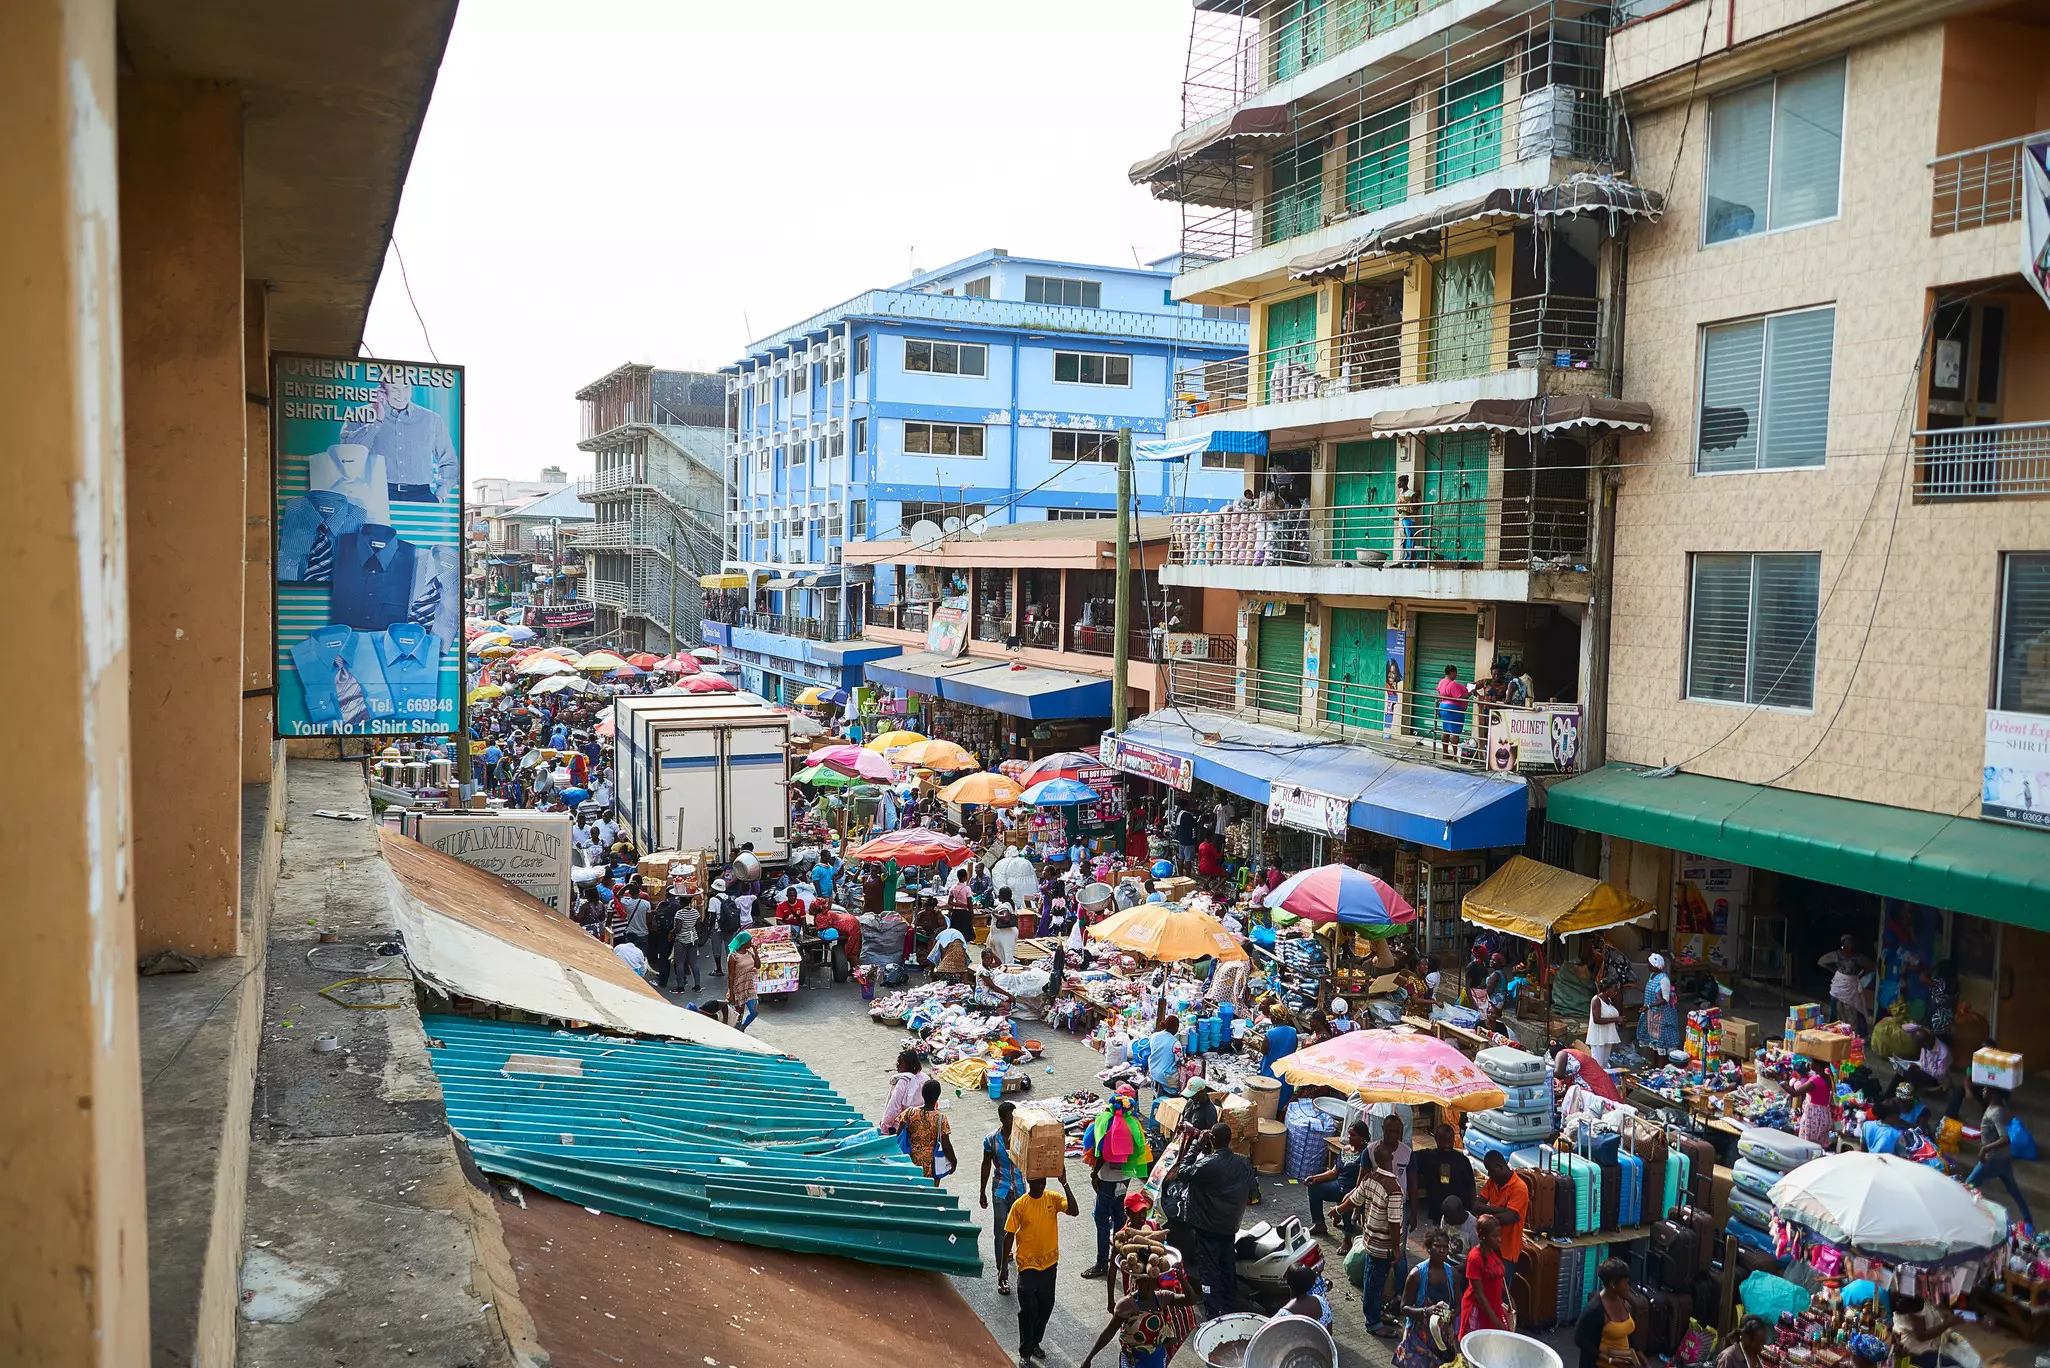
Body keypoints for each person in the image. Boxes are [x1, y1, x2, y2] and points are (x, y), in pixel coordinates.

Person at [1167, 1121, 1257, 1319]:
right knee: (1227, 1266)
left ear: (1213, 1140)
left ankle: (1212, 1311)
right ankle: (1229, 1305)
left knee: (1209, 1270)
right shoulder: (1243, 1161)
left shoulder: (1208, 1164)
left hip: (1208, 1227)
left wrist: (1197, 1145)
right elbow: (1253, 1190)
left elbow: (1183, 1171)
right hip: (1229, 1226)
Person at [1002, 1169, 1081, 1366]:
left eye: (1043, 1183)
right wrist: (1003, 1267)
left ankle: (1035, 1341)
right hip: (1027, 1267)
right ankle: (1025, 1352)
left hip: (1049, 1265)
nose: (1040, 1186)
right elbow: (1008, 1235)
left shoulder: (1052, 1199)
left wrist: (1065, 1183)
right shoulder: (1020, 1205)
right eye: (1036, 1183)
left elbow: (1074, 1210)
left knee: (1046, 1306)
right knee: (1028, 1310)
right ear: (1028, 1182)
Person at [1081, 1085, 1154, 1280]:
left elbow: (1102, 1152)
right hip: (1125, 1178)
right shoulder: (1133, 1124)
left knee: (1102, 1220)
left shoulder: (1107, 1121)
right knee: (1119, 1217)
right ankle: (1122, 1255)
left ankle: (1101, 1262)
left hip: (1107, 1180)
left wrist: (1094, 1174)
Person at [1332, 1149, 1405, 1337]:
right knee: (1374, 1282)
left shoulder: (1370, 1179)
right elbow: (1394, 1223)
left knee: (1371, 1279)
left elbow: (1353, 1201)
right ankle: (1373, 1323)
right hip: (1383, 1245)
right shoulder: (1394, 1188)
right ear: (1391, 1159)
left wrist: (1338, 1210)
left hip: (1370, 1240)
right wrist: (1396, 1248)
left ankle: (1376, 1314)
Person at [1079, 1259, 1198, 1368]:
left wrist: (1181, 1278)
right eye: (1141, 1282)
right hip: (1133, 1362)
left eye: (1148, 1282)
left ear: (1154, 1282)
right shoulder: (1126, 1304)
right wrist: (1089, 1358)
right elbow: (1109, 1332)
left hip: (1156, 1360)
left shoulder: (1162, 1298)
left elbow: (1190, 1300)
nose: (1143, 1286)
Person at [1967, 1082, 2033, 1226]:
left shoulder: (1995, 1112)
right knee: (2014, 1191)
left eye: (1986, 1088)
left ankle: (1969, 1217)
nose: (1983, 1090)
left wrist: (1985, 1149)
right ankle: (2028, 1220)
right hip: (2003, 1158)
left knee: (1967, 1186)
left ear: (1993, 1093)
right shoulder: (1998, 1108)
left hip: (1993, 1159)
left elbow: (2005, 1138)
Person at [981, 1100, 1028, 1296]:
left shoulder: (1024, 1138)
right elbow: (985, 1165)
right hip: (1000, 1189)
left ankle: (1022, 1266)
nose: (1013, 1121)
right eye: (1010, 1118)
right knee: (1000, 1233)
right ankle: (1002, 1276)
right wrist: (981, 1191)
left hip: (1019, 1190)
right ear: (1002, 1119)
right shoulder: (991, 1140)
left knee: (1022, 1232)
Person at [1395, 1230, 1460, 1368]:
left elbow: (1459, 1306)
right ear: (1429, 1248)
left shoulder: (1453, 1275)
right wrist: (1426, 1311)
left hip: (1442, 1337)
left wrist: (1450, 1316)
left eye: (1445, 1247)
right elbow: (1404, 1308)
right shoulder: (1416, 1275)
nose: (1442, 1250)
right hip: (1419, 1336)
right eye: (1437, 1246)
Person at [1574, 1258, 1646, 1368]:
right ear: (1613, 1284)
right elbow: (1580, 1339)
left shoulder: (1624, 1302)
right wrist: (1610, 1360)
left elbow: (1629, 1337)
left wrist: (1645, 1363)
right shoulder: (1595, 1309)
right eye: (1625, 1284)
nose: (1628, 1288)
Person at [1305, 1118, 1371, 1239]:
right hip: (1338, 1185)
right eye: (1349, 1134)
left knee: (1348, 1199)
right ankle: (1319, 1224)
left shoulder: (1366, 1154)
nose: (1349, 1137)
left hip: (1355, 1190)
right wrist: (1315, 1178)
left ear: (1362, 1138)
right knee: (1313, 1188)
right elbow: (1335, 1172)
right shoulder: (1345, 1150)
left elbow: (1364, 1182)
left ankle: (1347, 1237)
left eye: (1353, 1135)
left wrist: (1352, 1195)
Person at [1411, 1122, 1477, 1231]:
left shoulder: (1462, 1160)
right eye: (1443, 1141)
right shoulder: (1427, 1157)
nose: (1446, 1145)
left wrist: (1473, 1211)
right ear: (1436, 1139)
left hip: (1460, 1212)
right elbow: (1409, 1159)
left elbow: (1471, 1186)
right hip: (1438, 1212)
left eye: (1449, 1142)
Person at [1460, 1215, 1513, 1337]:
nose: (1499, 1239)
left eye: (1499, 1235)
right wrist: (1495, 1320)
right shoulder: (1474, 1258)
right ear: (1483, 1237)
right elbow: (1478, 1294)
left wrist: (1509, 1298)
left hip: (1494, 1305)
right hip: (1479, 1311)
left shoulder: (1494, 1251)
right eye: (1495, 1236)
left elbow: (1499, 1278)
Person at [1473, 1151, 1528, 1267]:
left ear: (1500, 1167)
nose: (1489, 1175)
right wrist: (1500, 1210)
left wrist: (1487, 1212)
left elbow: (1509, 1218)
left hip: (1507, 1251)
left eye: (1491, 1171)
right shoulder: (1493, 1181)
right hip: (1489, 1246)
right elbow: (1477, 1207)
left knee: (1501, 1283)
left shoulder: (1519, 1188)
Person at [900, 1078, 955, 1185]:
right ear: (938, 1097)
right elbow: (946, 1144)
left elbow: (899, 1134)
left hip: (910, 1159)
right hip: (931, 1164)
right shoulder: (940, 1119)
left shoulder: (909, 1112)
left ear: (922, 1094)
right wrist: (953, 1161)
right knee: (930, 1194)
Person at [1820, 936, 1872, 1033]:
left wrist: (1859, 975)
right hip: (1839, 986)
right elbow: (1821, 961)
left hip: (1851, 986)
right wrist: (1835, 972)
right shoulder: (1837, 955)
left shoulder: (1857, 957)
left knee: (1852, 1012)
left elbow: (1871, 966)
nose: (1848, 945)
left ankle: (1852, 1034)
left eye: (1850, 943)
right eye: (1846, 943)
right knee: (1839, 1011)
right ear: (1843, 944)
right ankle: (1840, 1033)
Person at [1892, 1294, 1959, 1368]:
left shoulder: (1919, 1297)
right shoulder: (1915, 1303)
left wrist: (1949, 1315)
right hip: (1915, 1352)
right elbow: (1922, 1336)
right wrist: (1948, 1324)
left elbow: (1933, 1310)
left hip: (1915, 1346)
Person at [1639, 952, 1681, 1055]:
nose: (1647, 965)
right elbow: (1647, 990)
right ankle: (1654, 1066)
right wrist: (1633, 986)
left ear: (1654, 966)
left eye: (1649, 963)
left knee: (1662, 1041)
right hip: (1653, 1015)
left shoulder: (1664, 979)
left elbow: (1665, 999)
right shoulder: (1652, 976)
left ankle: (1661, 1067)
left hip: (1663, 1016)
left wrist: (1649, 1006)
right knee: (1653, 1041)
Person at [1788, 1057, 1835, 1147]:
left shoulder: (1815, 1081)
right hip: (1824, 1115)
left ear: (1818, 1065)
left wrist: (1779, 1079)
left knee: (1808, 1146)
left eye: (1812, 1062)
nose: (1810, 1064)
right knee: (1819, 1146)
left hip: (1813, 1116)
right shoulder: (1829, 1076)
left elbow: (1794, 1093)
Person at [881, 1049, 925, 1136]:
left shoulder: (903, 1081)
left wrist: (885, 1128)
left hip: (901, 1128)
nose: (897, 1065)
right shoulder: (924, 1078)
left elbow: (893, 1108)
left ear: (908, 1064)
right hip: (921, 1124)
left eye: (900, 1062)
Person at [1145, 1016, 1181, 1120]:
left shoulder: (1155, 1036)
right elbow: (1178, 1060)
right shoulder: (1175, 1043)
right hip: (1165, 1076)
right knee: (1181, 1083)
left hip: (1153, 1071)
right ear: (1175, 1028)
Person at [667, 888, 703, 992]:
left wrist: (671, 932)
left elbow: (678, 929)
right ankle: (697, 986)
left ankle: (681, 987)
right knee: (694, 963)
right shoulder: (695, 912)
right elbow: (698, 928)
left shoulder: (679, 913)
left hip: (682, 940)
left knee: (680, 964)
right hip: (693, 939)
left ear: (682, 901)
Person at [724, 931, 760, 1032]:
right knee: (738, 1017)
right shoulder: (733, 957)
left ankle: (742, 1028)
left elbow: (758, 965)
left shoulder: (750, 953)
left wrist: (756, 952)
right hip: (738, 989)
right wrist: (731, 993)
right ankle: (738, 1031)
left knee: (755, 1011)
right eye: (750, 941)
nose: (751, 943)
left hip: (749, 987)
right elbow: (730, 976)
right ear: (744, 942)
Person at [1434, 666, 1470, 759]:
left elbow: (1439, 691)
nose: (1456, 675)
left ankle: (1445, 752)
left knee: (1446, 730)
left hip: (1443, 707)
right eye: (1456, 673)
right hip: (1454, 710)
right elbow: (1461, 697)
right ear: (1452, 673)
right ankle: (1455, 755)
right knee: (1454, 732)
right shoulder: (1452, 684)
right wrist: (1470, 692)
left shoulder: (1441, 682)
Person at [1587, 985, 1623, 1067]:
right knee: (1597, 1064)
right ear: (1607, 990)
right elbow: (1596, 1020)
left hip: (1608, 1035)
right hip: (1598, 1036)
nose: (1616, 993)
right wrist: (1615, 1019)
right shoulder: (1596, 1000)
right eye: (1614, 990)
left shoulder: (1609, 1000)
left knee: (1604, 1063)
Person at [1437, 1195, 1480, 1262]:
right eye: (1445, 1216)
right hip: (1448, 1258)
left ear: (1460, 1213)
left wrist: (1454, 1269)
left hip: (1466, 1263)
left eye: (1449, 1217)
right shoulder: (1445, 1219)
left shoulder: (1473, 1226)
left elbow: (1474, 1257)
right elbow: (1442, 1242)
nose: (1445, 1219)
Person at [988, 887, 1020, 964]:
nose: (998, 896)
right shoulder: (1010, 904)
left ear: (1002, 896)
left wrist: (994, 913)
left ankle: (1006, 972)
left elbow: (1006, 918)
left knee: (1004, 957)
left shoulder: (1004, 906)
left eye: (999, 895)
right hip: (1008, 934)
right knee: (1007, 955)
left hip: (1004, 935)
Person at [1174, 805, 1201, 871]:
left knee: (1181, 857)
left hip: (1181, 840)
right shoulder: (1188, 815)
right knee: (1187, 859)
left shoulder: (1179, 814)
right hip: (1188, 841)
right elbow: (1193, 827)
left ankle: (1180, 873)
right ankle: (1188, 875)